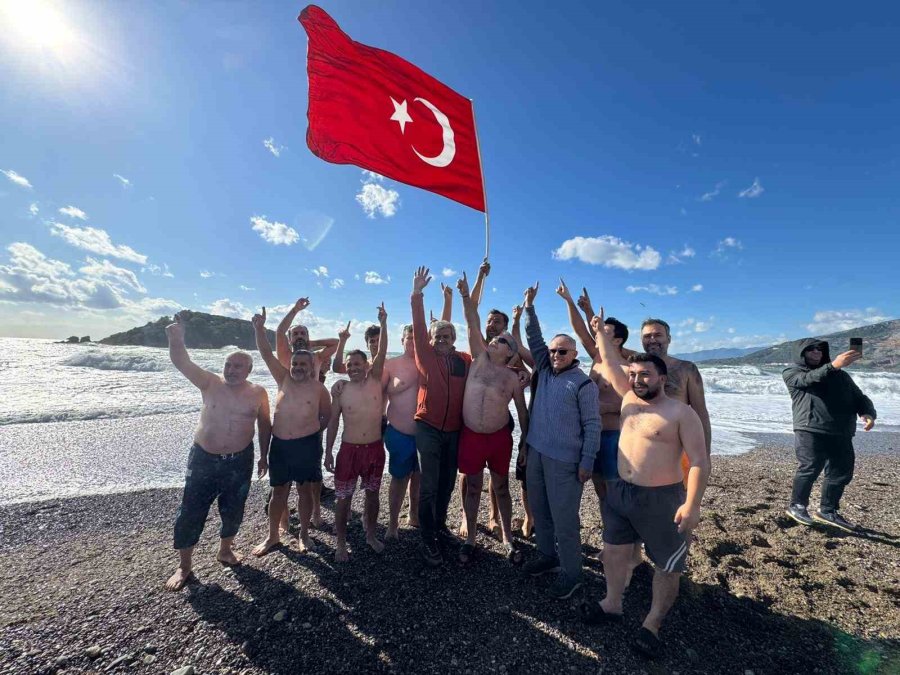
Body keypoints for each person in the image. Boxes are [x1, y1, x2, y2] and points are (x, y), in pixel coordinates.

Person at [583, 309, 709, 659]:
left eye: (646, 374)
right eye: (634, 374)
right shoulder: (628, 400)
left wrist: (692, 503)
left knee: (667, 565)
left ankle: (652, 623)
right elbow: (608, 359)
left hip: (663, 498)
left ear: (661, 377)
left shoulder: (680, 414)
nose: (638, 379)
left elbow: (699, 461)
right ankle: (612, 602)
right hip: (621, 492)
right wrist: (598, 331)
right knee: (613, 551)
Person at [164, 313, 271, 591]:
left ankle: (225, 550)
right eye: (228, 364)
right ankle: (184, 566)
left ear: (248, 370)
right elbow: (181, 362)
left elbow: (265, 425)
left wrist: (264, 455)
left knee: (234, 508)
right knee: (191, 510)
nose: (232, 369)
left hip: (239, 460)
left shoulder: (258, 392)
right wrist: (177, 337)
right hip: (203, 458)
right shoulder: (210, 382)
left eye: (238, 366)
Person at [520, 282, 601, 600]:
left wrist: (587, 461)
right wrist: (529, 308)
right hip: (537, 452)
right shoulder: (544, 369)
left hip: (567, 462)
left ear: (574, 354)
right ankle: (547, 556)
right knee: (540, 511)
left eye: (562, 351)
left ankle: (572, 574)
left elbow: (593, 426)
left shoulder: (583, 385)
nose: (555, 355)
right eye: (553, 351)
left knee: (565, 519)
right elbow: (534, 339)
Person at [456, 272, 529, 564]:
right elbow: (472, 321)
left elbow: (522, 414)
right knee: (472, 486)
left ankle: (508, 538)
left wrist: (525, 442)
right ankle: (472, 537)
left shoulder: (512, 377)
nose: (494, 342)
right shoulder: (478, 359)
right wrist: (464, 295)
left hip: (499, 438)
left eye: (501, 341)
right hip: (471, 436)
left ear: (510, 352)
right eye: (495, 339)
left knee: (501, 486)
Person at [251, 308, 331, 555]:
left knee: (305, 490)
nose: (297, 367)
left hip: (307, 445)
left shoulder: (319, 389)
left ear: (311, 366)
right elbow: (265, 353)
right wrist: (259, 330)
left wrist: (313, 430)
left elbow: (326, 416)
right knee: (279, 491)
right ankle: (273, 536)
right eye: (295, 363)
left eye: (303, 364)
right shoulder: (282, 377)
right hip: (281, 445)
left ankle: (304, 534)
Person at [411, 266, 472, 566]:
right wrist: (417, 294)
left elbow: (487, 368)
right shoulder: (425, 355)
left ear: (454, 337)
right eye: (439, 335)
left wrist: (516, 376)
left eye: (448, 335)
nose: (443, 339)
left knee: (447, 483)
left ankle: (439, 525)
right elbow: (419, 325)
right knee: (430, 484)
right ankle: (426, 536)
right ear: (431, 339)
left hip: (454, 430)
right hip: (428, 427)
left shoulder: (464, 360)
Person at [783, 339, 876, 532]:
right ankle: (797, 505)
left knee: (841, 472)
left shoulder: (840, 375)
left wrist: (867, 412)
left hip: (841, 431)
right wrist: (833, 365)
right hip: (810, 427)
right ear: (801, 353)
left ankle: (828, 510)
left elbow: (859, 397)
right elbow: (808, 380)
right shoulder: (792, 372)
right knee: (810, 467)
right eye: (811, 350)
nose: (816, 352)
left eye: (820, 349)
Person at [557, 281, 634, 500]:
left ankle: (623, 528)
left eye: (604, 332)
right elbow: (580, 330)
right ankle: (610, 526)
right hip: (592, 435)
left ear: (617, 340)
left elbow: (634, 403)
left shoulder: (628, 367)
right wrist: (569, 301)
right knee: (599, 485)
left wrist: (604, 407)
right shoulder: (598, 358)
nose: (597, 333)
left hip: (615, 435)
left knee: (616, 487)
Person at [325, 304, 389, 562]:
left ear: (367, 365)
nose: (352, 367)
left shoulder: (375, 381)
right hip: (348, 450)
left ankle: (370, 534)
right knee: (343, 498)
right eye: (349, 364)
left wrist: (383, 324)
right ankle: (340, 542)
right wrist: (328, 450)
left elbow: (382, 351)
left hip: (374, 448)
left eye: (357, 363)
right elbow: (332, 423)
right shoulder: (341, 391)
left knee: (372, 495)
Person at [273, 297, 339, 531]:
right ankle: (283, 521)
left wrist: (310, 342)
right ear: (290, 340)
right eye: (296, 334)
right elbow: (279, 332)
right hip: (289, 422)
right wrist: (294, 311)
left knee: (312, 473)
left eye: (303, 332)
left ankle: (317, 513)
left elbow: (336, 342)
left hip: (313, 420)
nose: (299, 335)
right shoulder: (286, 357)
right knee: (283, 479)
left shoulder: (317, 357)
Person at [383, 324, 422, 538]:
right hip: (399, 432)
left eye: (418, 338)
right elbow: (376, 393)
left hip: (425, 433)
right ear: (402, 340)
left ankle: (413, 513)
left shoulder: (429, 362)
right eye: (409, 338)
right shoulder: (391, 365)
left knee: (419, 475)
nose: (413, 342)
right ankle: (392, 523)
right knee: (399, 478)